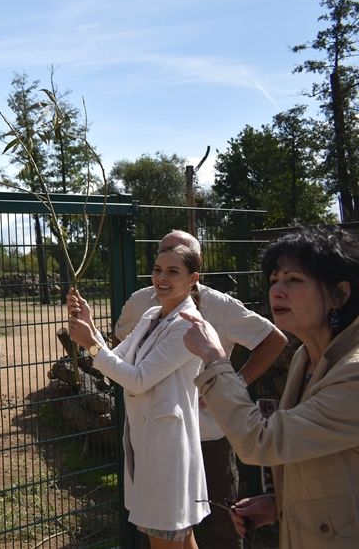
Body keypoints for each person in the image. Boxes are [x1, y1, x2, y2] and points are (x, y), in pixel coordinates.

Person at [183, 226, 359, 548]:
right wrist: (280, 504)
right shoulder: (306, 358)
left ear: (340, 295)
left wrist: (215, 359)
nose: (277, 290)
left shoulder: (353, 374)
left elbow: (261, 442)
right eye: (274, 280)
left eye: (294, 280)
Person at [115, 230, 287, 548]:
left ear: (196, 268)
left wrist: (234, 382)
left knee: (224, 527)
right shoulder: (142, 302)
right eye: (162, 257)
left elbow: (273, 339)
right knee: (172, 533)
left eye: (178, 258)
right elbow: (122, 348)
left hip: (209, 435)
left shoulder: (220, 305)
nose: (166, 268)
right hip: (158, 439)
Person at [68, 245, 209, 548]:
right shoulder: (150, 315)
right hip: (147, 444)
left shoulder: (188, 325)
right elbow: (118, 360)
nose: (161, 278)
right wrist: (90, 325)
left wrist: (90, 344)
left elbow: (138, 379)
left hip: (167, 451)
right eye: (158, 270)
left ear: (193, 279)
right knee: (180, 539)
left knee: (164, 538)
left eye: (173, 271)